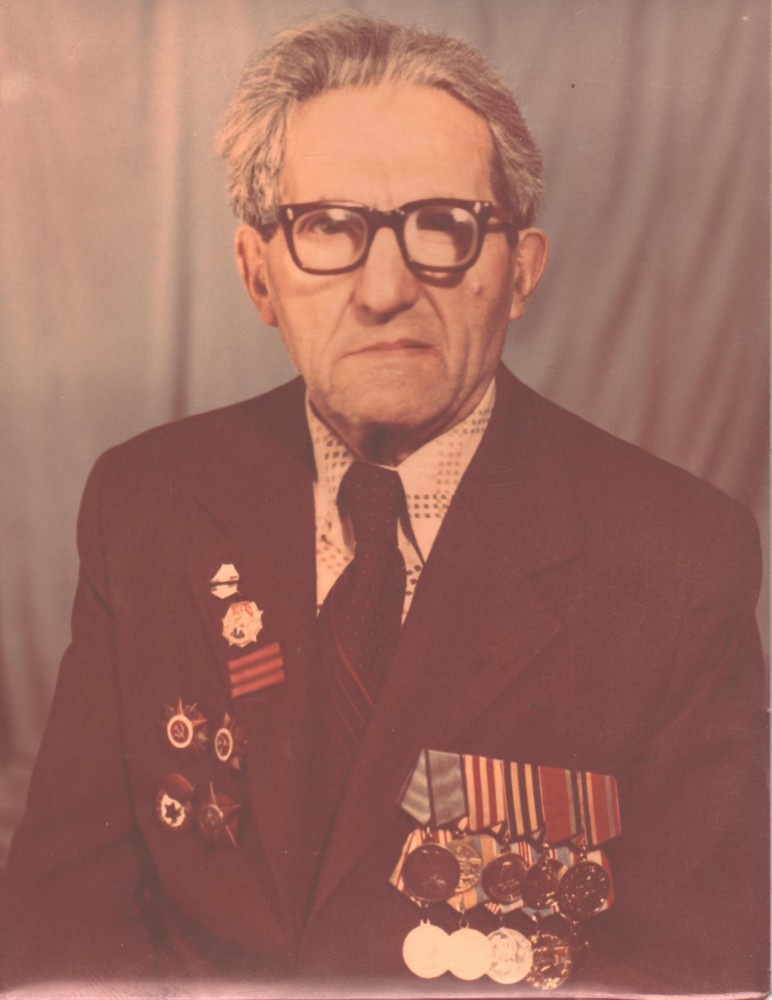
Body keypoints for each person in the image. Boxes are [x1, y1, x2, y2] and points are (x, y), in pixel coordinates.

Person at [1, 11, 768, 997]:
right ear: (257, 275)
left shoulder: (676, 558)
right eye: (328, 227)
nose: (384, 289)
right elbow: (61, 939)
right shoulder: (147, 504)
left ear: (521, 271)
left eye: (443, 225)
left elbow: (695, 978)